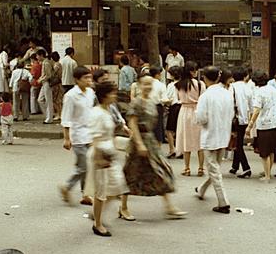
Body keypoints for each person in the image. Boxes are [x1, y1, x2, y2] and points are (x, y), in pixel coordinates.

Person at [123, 74, 187, 218]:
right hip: (139, 142)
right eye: (145, 84)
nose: (148, 86)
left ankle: (169, 206)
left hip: (150, 142)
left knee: (161, 171)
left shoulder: (152, 101)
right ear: (139, 85)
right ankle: (123, 207)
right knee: (131, 175)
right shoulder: (136, 103)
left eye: (150, 83)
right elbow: (132, 123)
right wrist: (139, 144)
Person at [85, 82, 130, 237]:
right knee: (101, 191)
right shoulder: (96, 113)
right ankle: (97, 224)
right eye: (112, 93)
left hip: (110, 152)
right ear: (104, 95)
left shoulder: (108, 110)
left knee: (117, 186)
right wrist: (99, 159)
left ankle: (97, 212)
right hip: (100, 154)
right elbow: (95, 138)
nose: (115, 96)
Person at [194, 66, 234, 213]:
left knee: (214, 170)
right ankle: (201, 189)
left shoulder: (205, 96)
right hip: (223, 135)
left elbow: (201, 118)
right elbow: (231, 114)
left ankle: (223, 202)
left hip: (210, 136)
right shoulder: (227, 94)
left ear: (204, 78)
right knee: (215, 168)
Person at [59, 66, 96, 205]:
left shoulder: (91, 93)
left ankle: (85, 194)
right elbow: (66, 118)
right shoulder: (70, 96)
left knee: (86, 165)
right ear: (77, 80)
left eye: (90, 77)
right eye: (85, 78)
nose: (89, 80)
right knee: (84, 166)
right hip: (78, 135)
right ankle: (67, 187)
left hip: (90, 134)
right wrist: (67, 138)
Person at [246, 70, 276, 183]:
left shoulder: (259, 92)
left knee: (264, 153)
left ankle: (267, 176)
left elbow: (256, 110)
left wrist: (250, 125)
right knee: (271, 151)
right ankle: (268, 172)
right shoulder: (273, 89)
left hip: (265, 124)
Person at [175, 61, 206, 176]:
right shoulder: (200, 84)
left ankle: (187, 168)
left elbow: (179, 98)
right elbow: (203, 99)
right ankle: (201, 168)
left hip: (184, 111)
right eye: (194, 70)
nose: (196, 72)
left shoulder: (178, 84)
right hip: (197, 111)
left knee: (185, 139)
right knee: (200, 141)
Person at [229, 66, 252, 177]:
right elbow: (252, 105)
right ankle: (235, 166)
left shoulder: (231, 87)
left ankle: (246, 167)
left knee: (237, 144)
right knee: (238, 141)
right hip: (245, 118)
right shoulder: (248, 88)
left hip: (235, 118)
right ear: (245, 76)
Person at [165, 66, 182, 158]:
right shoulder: (184, 84)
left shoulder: (171, 85)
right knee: (180, 129)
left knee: (169, 130)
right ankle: (181, 150)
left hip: (174, 107)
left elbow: (167, 98)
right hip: (183, 107)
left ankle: (172, 149)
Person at [36, 49, 54, 124]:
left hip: (47, 83)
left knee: (48, 100)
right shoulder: (44, 62)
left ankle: (49, 118)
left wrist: (41, 79)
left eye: (37, 55)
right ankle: (48, 115)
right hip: (44, 83)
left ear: (41, 55)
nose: (37, 57)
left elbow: (48, 75)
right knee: (40, 100)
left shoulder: (46, 63)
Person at [50, 51, 63, 120]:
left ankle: (59, 114)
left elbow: (52, 73)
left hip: (56, 84)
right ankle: (59, 113)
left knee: (55, 100)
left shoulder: (56, 65)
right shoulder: (59, 64)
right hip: (59, 83)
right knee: (58, 100)